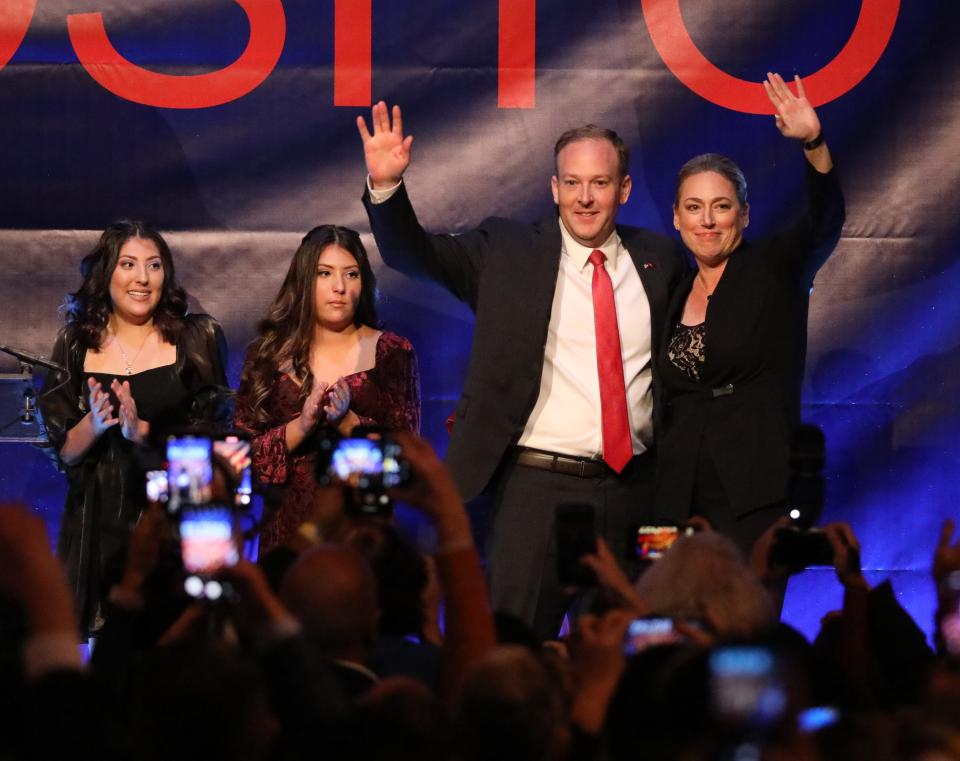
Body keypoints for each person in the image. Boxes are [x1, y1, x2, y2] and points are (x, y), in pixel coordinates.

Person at [358, 103, 686, 639]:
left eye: (600, 183)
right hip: (534, 491)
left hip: (636, 491)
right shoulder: (506, 252)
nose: (585, 198)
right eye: (573, 183)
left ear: (623, 190)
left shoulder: (661, 260)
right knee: (514, 648)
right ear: (553, 188)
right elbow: (411, 254)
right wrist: (387, 187)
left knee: (628, 652)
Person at [655, 73, 846, 554]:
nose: (707, 220)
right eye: (694, 207)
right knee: (666, 620)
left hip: (752, 495)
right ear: (676, 218)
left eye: (721, 206)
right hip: (670, 499)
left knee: (743, 621)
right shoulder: (672, 290)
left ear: (744, 214)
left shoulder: (773, 269)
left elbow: (825, 222)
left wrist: (813, 142)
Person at [40, 220, 229, 636]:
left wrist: (144, 432)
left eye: (154, 266)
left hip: (173, 515)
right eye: (128, 264)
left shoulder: (197, 337)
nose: (142, 279)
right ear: (106, 273)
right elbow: (63, 450)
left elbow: (218, 439)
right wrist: (95, 423)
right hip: (98, 518)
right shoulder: (74, 343)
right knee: (104, 655)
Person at [234, 224, 420, 550]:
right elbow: (242, 458)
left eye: (351, 274)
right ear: (304, 279)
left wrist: (349, 424)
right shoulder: (266, 355)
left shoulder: (392, 352)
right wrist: (301, 426)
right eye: (324, 273)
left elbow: (408, 459)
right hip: (286, 540)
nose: (339, 287)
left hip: (364, 539)